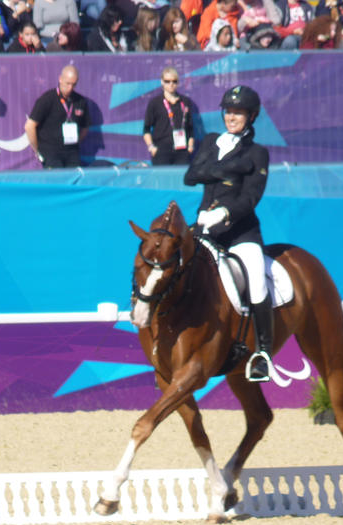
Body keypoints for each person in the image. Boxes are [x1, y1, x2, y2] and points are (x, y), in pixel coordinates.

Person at [183, 85, 273, 382]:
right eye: (228, 111)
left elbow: (251, 197)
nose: (231, 117)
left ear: (251, 116)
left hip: (240, 233)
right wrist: (229, 170)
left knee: (257, 282)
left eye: (238, 113)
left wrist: (225, 213)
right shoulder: (211, 141)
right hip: (204, 229)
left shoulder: (258, 153)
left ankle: (262, 354)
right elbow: (190, 176)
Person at [24, 63, 90, 169]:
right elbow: (29, 126)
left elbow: (85, 127)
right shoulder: (47, 99)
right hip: (51, 151)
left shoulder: (80, 101)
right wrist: (37, 150)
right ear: (60, 79)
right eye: (67, 83)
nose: (70, 88)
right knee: (57, 179)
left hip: (71, 151)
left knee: (74, 181)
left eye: (74, 84)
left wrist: (76, 140)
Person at [142, 67, 194, 166]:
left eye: (174, 81)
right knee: (161, 179)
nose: (171, 84)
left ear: (178, 83)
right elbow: (146, 129)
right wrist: (152, 148)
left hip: (182, 150)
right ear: (162, 82)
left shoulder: (185, 102)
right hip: (161, 150)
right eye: (167, 81)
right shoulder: (155, 103)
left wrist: (190, 147)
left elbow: (190, 128)